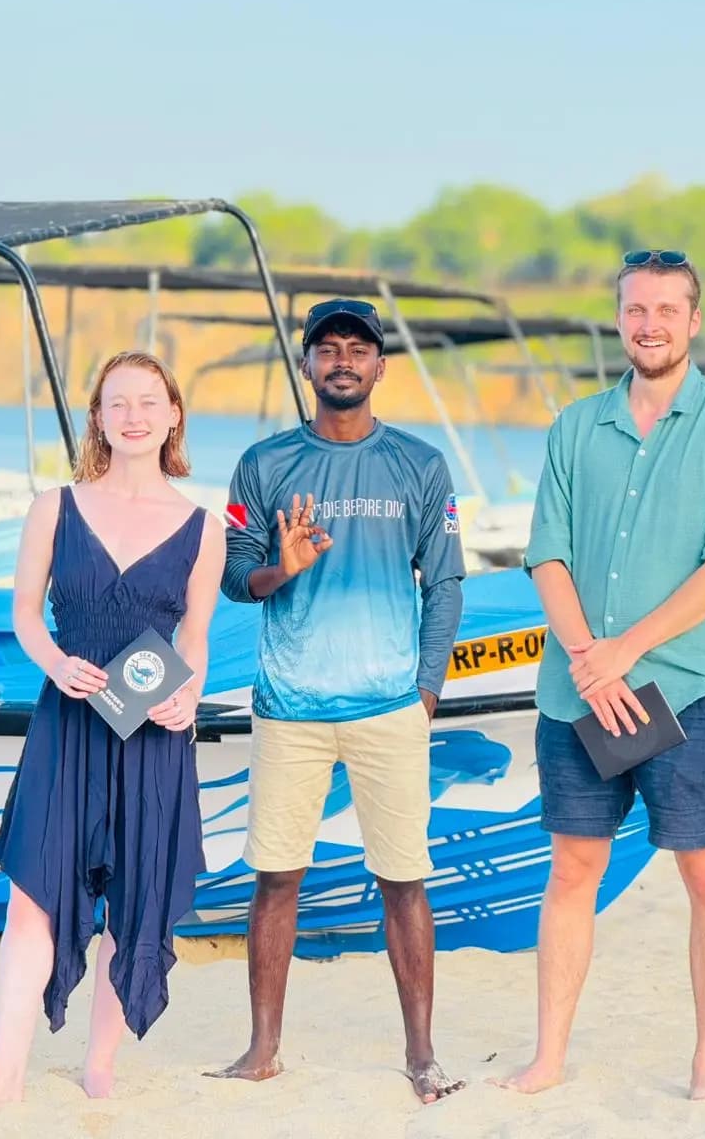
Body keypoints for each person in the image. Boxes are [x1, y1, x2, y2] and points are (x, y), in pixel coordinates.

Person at [494, 251, 705, 1101]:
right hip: (577, 691)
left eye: (665, 309)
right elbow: (546, 551)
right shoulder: (577, 427)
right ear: (618, 320)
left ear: (693, 321)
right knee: (572, 869)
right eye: (634, 310)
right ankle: (548, 1058)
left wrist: (628, 649)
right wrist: (590, 658)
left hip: (687, 689)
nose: (648, 323)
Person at [0, 351, 225, 1120]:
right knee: (32, 897)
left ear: (173, 416)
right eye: (116, 402)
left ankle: (100, 1067)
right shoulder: (54, 506)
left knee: (132, 902)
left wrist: (188, 698)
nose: (132, 414)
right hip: (68, 722)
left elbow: (195, 639)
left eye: (148, 401)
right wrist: (57, 663)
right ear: (98, 417)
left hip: (153, 731)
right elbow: (26, 614)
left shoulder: (202, 526)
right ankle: (4, 1077)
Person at [208, 299, 466, 1104]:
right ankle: (262, 1048)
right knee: (277, 879)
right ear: (308, 366)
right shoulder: (264, 462)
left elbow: (446, 581)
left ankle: (422, 1054)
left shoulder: (420, 465)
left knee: (403, 880)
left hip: (390, 705)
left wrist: (427, 689)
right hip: (290, 706)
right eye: (329, 349)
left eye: (359, 349)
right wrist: (281, 568)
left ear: (380, 367)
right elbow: (232, 578)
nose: (343, 360)